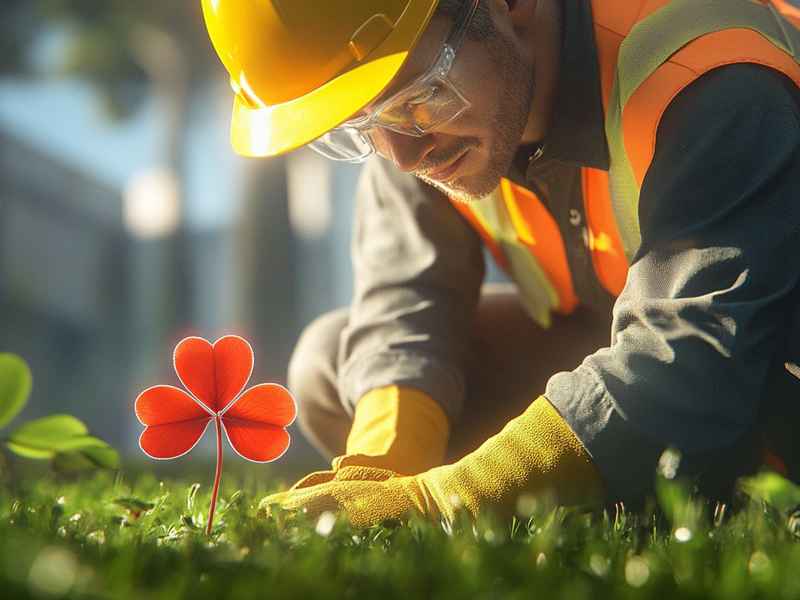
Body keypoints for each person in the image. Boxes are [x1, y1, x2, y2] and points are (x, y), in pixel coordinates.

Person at [201, 0, 800, 527]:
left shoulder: (709, 77)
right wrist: (380, 474)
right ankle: (625, 483)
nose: (403, 155)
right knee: (332, 362)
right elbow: (404, 313)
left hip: (755, 366)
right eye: (360, 125)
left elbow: (691, 359)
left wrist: (443, 502)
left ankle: (682, 486)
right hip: (649, 348)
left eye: (420, 98)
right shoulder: (415, 128)